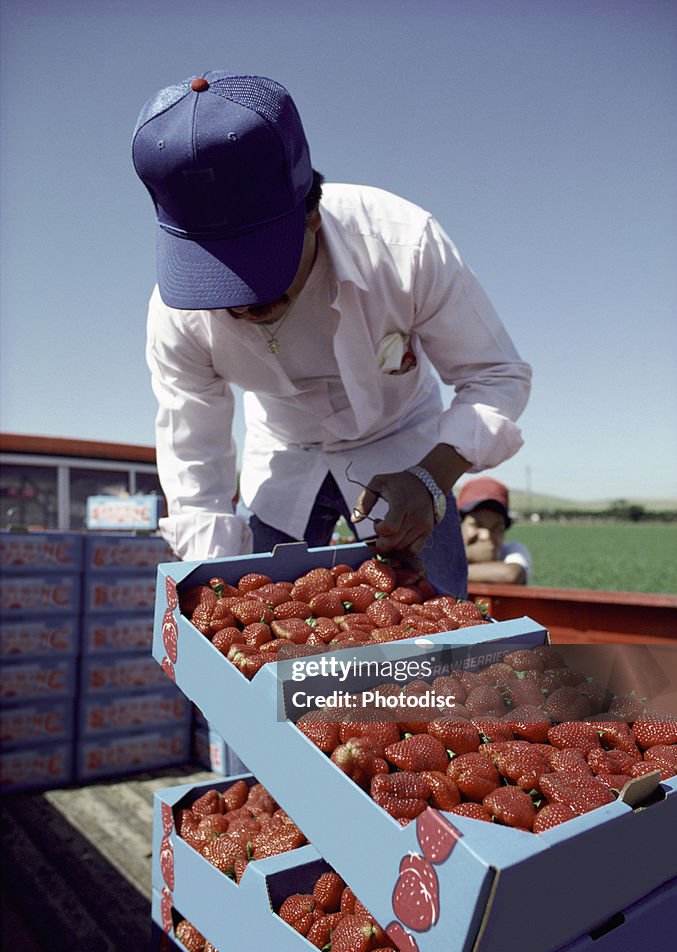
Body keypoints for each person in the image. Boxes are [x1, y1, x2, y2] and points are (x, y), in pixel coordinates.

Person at [132, 72, 531, 597]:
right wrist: (218, 584)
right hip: (283, 451)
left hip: (405, 445)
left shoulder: (402, 245)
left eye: (263, 272)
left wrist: (432, 477)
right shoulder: (176, 313)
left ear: (312, 215)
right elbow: (194, 458)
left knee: (434, 633)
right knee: (255, 621)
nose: (244, 303)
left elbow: (495, 376)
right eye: (218, 280)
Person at [457, 476, 532, 584]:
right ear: (458, 525)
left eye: (497, 528)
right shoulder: (444, 551)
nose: (486, 535)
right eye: (476, 525)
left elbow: (511, 575)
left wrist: (449, 573)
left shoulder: (513, 551)